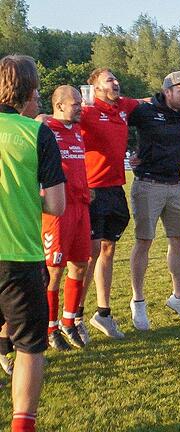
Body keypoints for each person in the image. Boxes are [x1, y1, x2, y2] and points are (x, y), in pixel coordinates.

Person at [0, 54, 66, 432]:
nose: (40, 100)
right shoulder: (37, 133)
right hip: (18, 255)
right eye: (38, 91)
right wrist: (26, 198)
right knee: (28, 347)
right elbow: (56, 204)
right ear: (26, 92)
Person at [127, 71, 180, 329]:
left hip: (176, 184)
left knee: (178, 242)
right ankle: (138, 301)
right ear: (167, 91)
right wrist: (127, 155)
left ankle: (179, 297)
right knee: (144, 242)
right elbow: (114, 121)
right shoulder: (145, 110)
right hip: (148, 184)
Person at [78, 68, 142, 340]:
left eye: (116, 78)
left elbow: (151, 101)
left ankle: (102, 313)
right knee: (88, 255)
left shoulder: (124, 106)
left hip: (115, 189)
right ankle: (74, 316)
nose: (115, 83)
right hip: (92, 190)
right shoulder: (87, 111)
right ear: (95, 87)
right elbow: (57, 119)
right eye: (109, 80)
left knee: (108, 250)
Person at [40, 86, 89, 350]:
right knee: (54, 271)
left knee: (81, 264)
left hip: (81, 206)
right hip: (57, 210)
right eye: (75, 104)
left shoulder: (78, 130)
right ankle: (50, 327)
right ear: (59, 106)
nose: (81, 107)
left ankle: (69, 321)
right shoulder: (45, 129)